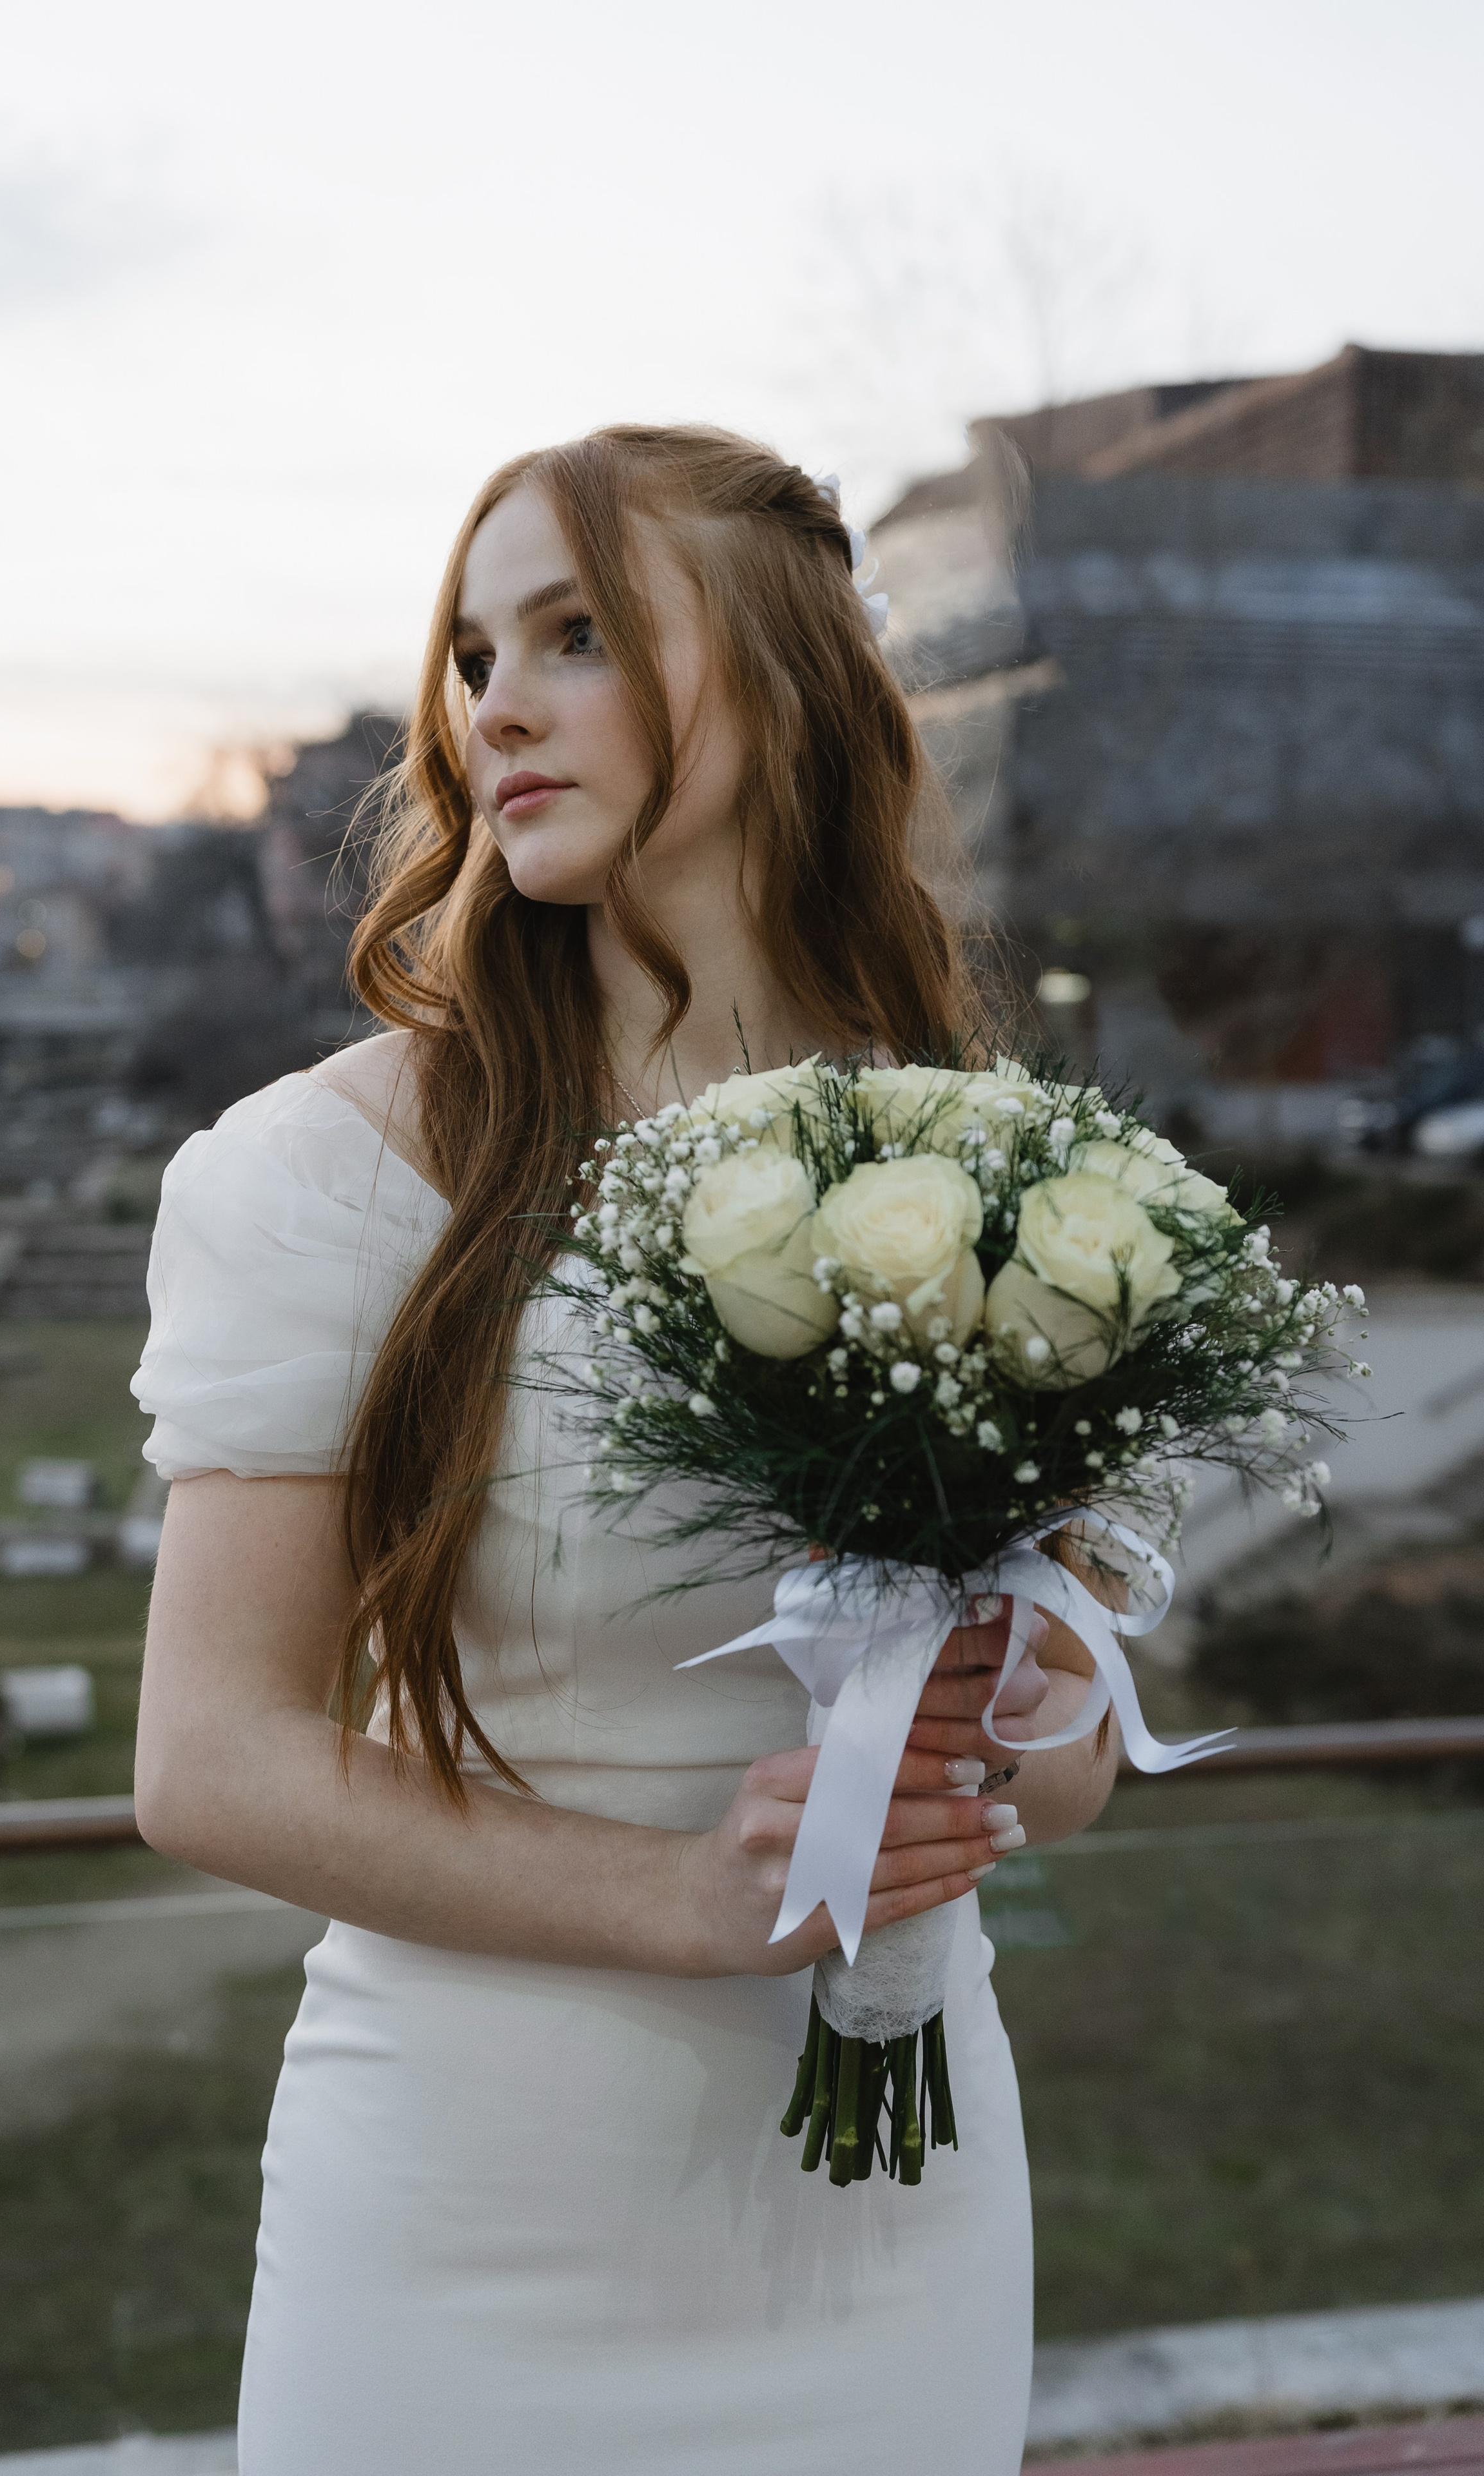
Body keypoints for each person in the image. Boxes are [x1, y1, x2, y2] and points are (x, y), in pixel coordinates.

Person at [132, 425, 1118, 2475]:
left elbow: (1072, 1769)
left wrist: (981, 1711)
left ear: (783, 675)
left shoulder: (1008, 1172)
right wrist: (682, 1899)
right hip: (465, 2211)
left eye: (575, 634)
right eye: (477, 652)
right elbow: (209, 1758)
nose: (495, 704)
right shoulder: (325, 1175)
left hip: (886, 2217)